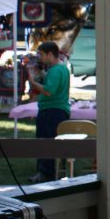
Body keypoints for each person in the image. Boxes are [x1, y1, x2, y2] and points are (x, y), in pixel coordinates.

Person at [27, 41, 71, 182]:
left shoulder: (56, 70)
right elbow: (53, 83)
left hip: (51, 111)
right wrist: (42, 74)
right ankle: (56, 170)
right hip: (57, 110)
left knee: (45, 142)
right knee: (54, 142)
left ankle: (46, 173)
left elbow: (48, 91)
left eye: (41, 54)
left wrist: (33, 83)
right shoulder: (61, 68)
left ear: (50, 54)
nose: (40, 57)